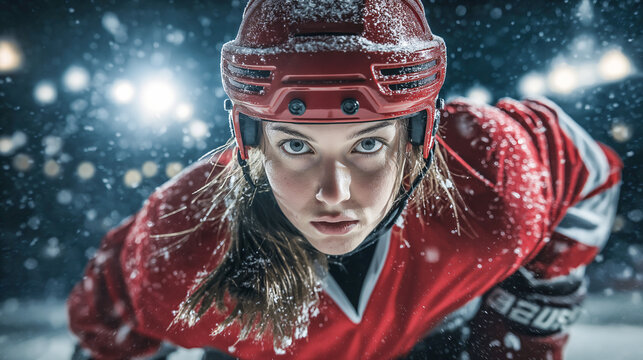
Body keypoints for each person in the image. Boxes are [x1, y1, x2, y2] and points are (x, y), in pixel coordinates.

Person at [67, 1, 623, 359]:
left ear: (419, 137)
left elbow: (590, 172)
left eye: (366, 145)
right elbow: (103, 322)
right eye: (296, 145)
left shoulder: (488, 174)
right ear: (250, 143)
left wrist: (523, 317)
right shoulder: (184, 239)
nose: (333, 192)